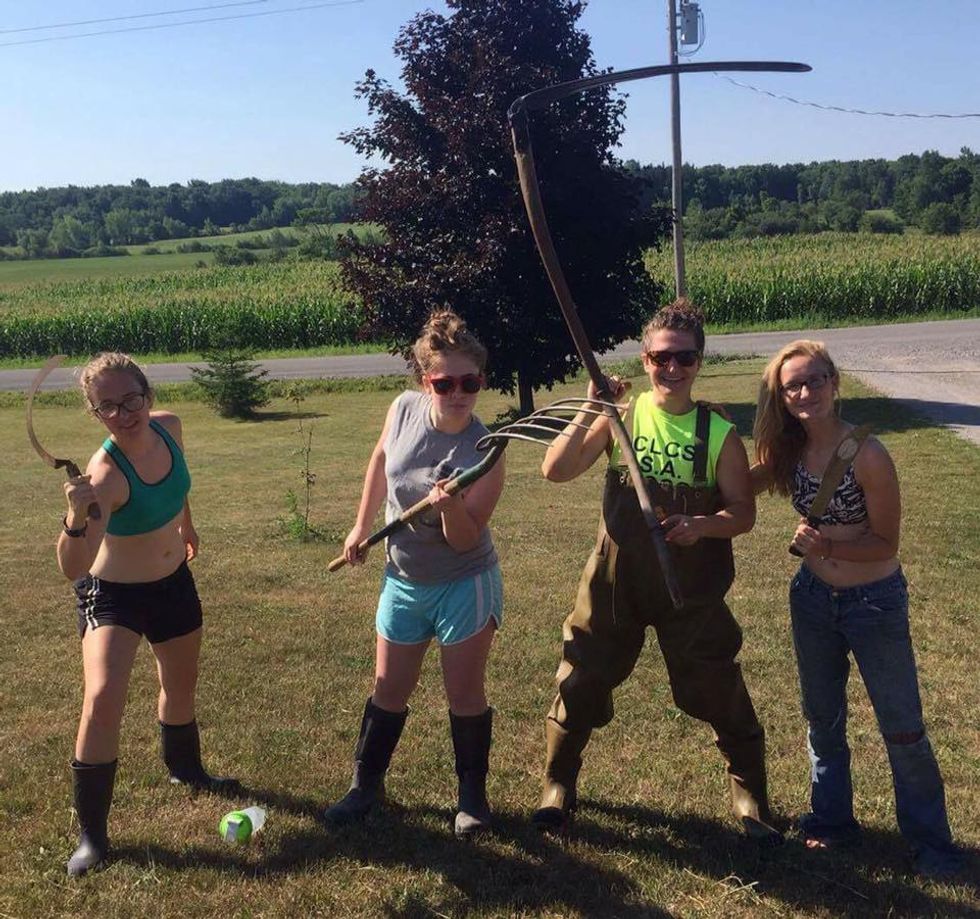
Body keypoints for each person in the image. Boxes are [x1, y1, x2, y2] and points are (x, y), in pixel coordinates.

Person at [532, 299, 778, 839]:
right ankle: (558, 781)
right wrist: (591, 407)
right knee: (582, 675)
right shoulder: (621, 417)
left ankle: (750, 792)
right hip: (613, 582)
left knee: (714, 681)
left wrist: (702, 525)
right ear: (645, 360)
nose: (672, 368)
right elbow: (555, 469)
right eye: (661, 357)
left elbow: (743, 512)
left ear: (699, 363)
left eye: (684, 358)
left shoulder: (717, 433)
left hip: (691, 586)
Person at [752, 339, 962, 876]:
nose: (806, 393)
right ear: (781, 396)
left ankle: (933, 846)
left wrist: (825, 545)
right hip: (812, 599)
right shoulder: (789, 449)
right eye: (793, 386)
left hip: (874, 603)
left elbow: (886, 544)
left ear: (834, 382)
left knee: (902, 727)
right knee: (822, 719)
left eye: (814, 380)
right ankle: (831, 822)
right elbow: (736, 483)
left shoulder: (867, 454)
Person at [56, 352, 237, 877]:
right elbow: (73, 567)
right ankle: (92, 836)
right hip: (114, 596)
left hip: (172, 583)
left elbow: (178, 489)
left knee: (179, 685)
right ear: (95, 413)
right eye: (107, 406)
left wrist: (187, 525)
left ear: (148, 395)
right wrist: (74, 515)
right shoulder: (104, 477)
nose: (123, 413)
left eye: (131, 399)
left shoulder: (170, 428)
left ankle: (186, 770)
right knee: (101, 698)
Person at [327, 310, 505, 837]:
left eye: (470, 382)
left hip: (464, 582)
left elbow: (465, 538)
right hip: (403, 579)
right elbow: (380, 460)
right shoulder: (403, 408)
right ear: (426, 382)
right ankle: (365, 786)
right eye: (445, 383)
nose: (458, 393)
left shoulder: (486, 452)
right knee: (388, 689)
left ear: (481, 381)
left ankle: (471, 798)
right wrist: (360, 526)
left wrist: (450, 507)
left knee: (464, 694)